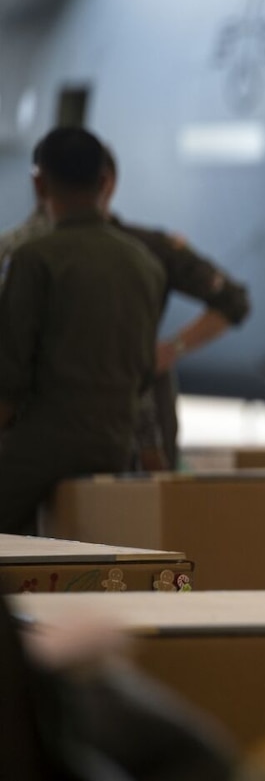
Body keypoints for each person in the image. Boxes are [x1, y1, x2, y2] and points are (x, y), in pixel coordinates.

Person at [0, 148, 251, 470]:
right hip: (88, 427)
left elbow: (233, 301)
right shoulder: (40, 253)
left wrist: (169, 350)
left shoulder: (142, 248)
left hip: (107, 422)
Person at [0, 127, 165, 534]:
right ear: (104, 182)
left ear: (39, 183)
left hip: (39, 450)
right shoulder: (145, 264)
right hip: (113, 446)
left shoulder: (32, 258)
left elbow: (9, 379)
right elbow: (143, 373)